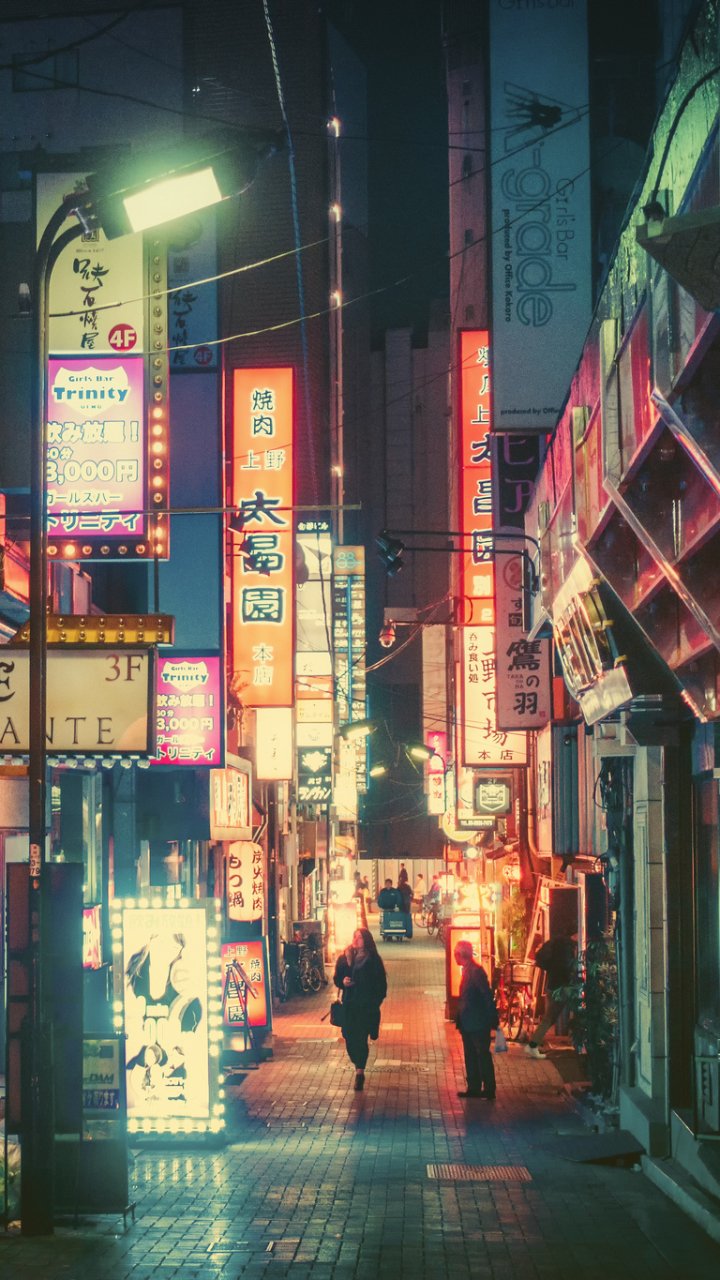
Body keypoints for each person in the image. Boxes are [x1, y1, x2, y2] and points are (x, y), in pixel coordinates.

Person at [333, 928, 387, 1091]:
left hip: (365, 1007)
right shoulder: (345, 957)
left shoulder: (373, 960)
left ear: (367, 941)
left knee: (361, 1039)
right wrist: (343, 981)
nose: (356, 940)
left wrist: (373, 1003)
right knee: (349, 1039)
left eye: (360, 937)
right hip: (349, 1006)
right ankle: (357, 1063)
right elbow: (337, 979)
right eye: (354, 936)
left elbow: (381, 986)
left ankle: (359, 1072)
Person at [454, 940, 498, 1099]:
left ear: (460, 955)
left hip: (477, 1022)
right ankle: (474, 1086)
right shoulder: (468, 970)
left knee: (481, 1054)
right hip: (469, 1021)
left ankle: (488, 1088)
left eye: (455, 954)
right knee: (471, 1054)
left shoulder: (476, 971)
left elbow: (486, 995)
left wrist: (492, 1017)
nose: (454, 957)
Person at [526, 929, 577, 1058]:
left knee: (550, 1018)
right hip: (561, 987)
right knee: (550, 1018)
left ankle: (533, 1045)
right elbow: (566, 966)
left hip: (552, 984)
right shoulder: (566, 946)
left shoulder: (556, 943)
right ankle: (532, 1045)